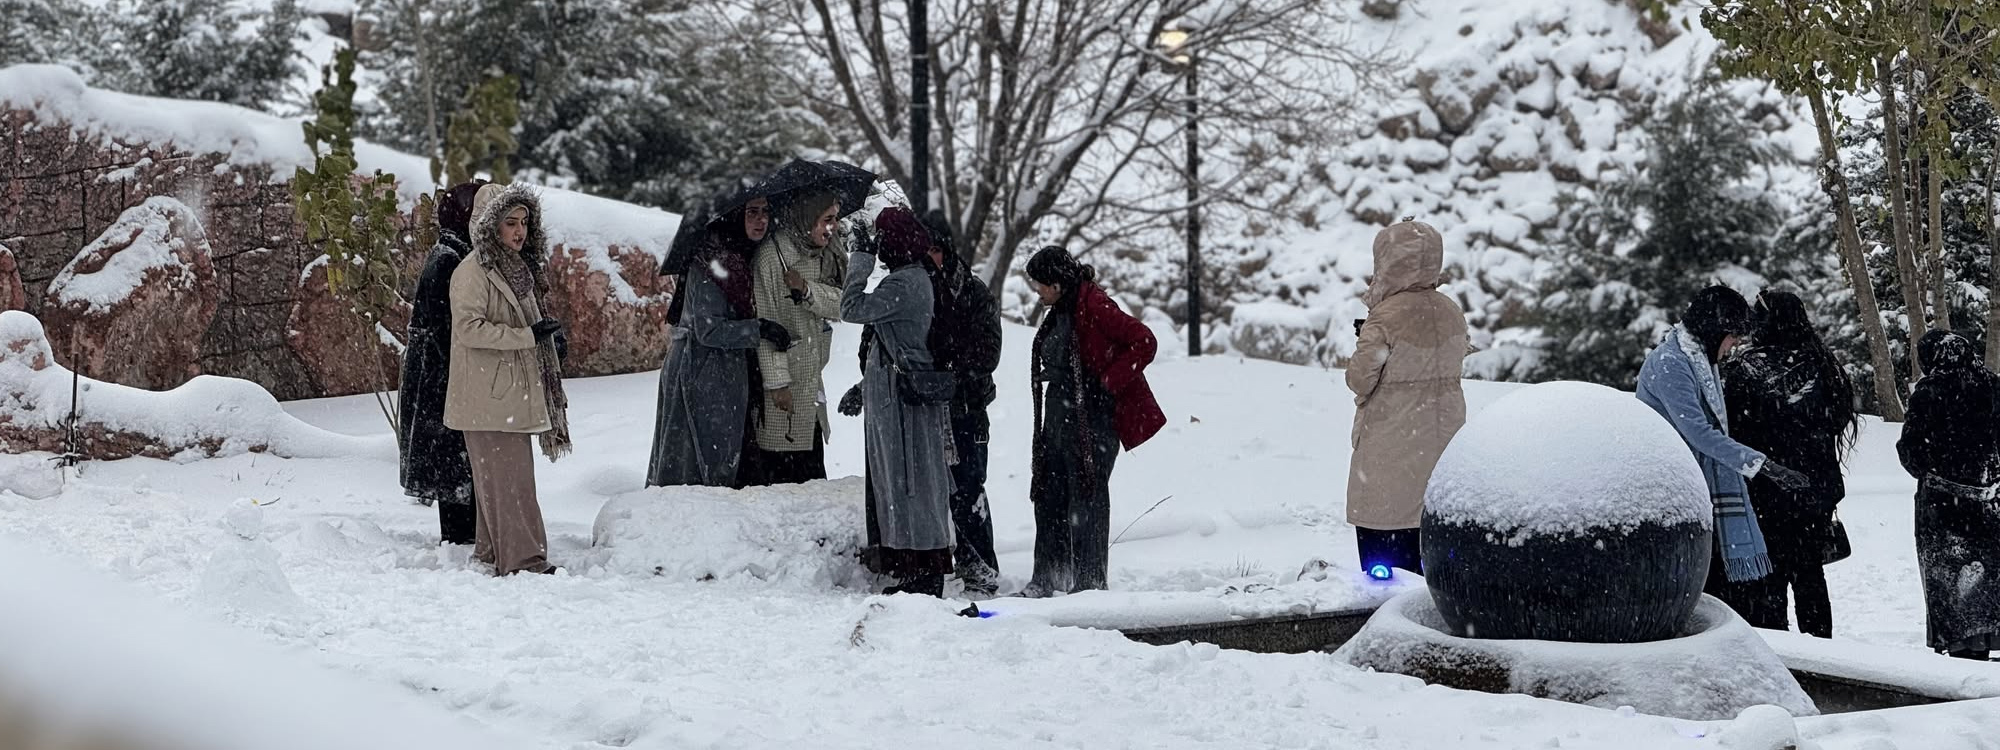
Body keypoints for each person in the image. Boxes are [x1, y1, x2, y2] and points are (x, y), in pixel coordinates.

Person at [840, 210, 1004, 595]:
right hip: (919, 397)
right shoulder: (921, 280)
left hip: (958, 403)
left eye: (935, 249)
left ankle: (974, 568)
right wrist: (869, 384)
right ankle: (924, 566)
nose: (931, 256)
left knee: (958, 488)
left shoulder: (962, 290)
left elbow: (984, 352)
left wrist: (947, 375)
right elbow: (881, 341)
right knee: (921, 486)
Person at [1636, 285, 1812, 615]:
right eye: (1732, 336)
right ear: (1714, 330)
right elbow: (1699, 433)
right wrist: (1763, 465)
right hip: (1676, 492)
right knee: (1698, 592)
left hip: (1702, 485)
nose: (1734, 345)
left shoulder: (1700, 362)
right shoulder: (1671, 364)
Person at [1020, 246, 1166, 597]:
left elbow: (1144, 341)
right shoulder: (1062, 308)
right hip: (1061, 414)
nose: (1037, 291)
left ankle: (1089, 585)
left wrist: (1107, 383)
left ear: (1057, 283)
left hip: (1093, 420)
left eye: (1040, 284)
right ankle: (1049, 578)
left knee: (1086, 498)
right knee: (1050, 495)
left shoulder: (1095, 305)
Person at [443, 183, 571, 576]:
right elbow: (468, 329)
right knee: (510, 483)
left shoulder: (513, 268)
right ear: (489, 225)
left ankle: (492, 554)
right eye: (510, 222)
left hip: (502, 392)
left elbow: (524, 320)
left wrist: (546, 338)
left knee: (500, 483)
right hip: (490, 394)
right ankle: (524, 561)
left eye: (524, 222)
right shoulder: (472, 271)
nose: (519, 231)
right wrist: (526, 337)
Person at [1722, 289, 1858, 638]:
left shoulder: (1746, 368)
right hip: (1814, 490)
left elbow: (1732, 428)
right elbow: (1837, 418)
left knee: (1770, 579)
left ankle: (1779, 650)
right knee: (1810, 575)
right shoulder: (1823, 364)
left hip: (1766, 490)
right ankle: (1822, 650)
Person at [1344, 220, 1468, 577]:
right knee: (1431, 528)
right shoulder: (1451, 311)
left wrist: (1366, 337)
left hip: (1392, 439)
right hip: (1445, 440)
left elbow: (1359, 379)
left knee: (1386, 527)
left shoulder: (1385, 316)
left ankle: (1386, 586)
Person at [645, 195, 782, 488]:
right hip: (700, 373)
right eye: (752, 212)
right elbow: (709, 330)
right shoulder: (711, 264)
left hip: (719, 372)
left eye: (765, 212)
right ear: (733, 217)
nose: (761, 220)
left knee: (720, 460)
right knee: (698, 463)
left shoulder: (738, 256)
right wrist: (759, 329)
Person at [1898, 329, 2000, 661]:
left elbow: (1911, 451)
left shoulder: (1929, 392)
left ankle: (1960, 651)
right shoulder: (1993, 386)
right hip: (1991, 502)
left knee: (1951, 579)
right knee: (1988, 579)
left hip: (1943, 506)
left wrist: (1933, 470)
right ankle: (1988, 638)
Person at [398, 179, 485, 545]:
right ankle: (461, 536)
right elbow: (449, 330)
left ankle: (464, 531)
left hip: (438, 377)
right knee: (453, 458)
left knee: (455, 458)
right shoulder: (451, 260)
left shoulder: (453, 253)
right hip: (442, 379)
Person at [746, 189, 846, 485]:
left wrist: (807, 290)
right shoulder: (770, 258)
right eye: (827, 219)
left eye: (835, 219)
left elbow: (845, 304)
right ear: (807, 218)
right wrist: (777, 384)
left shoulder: (824, 254)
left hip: (810, 380)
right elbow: (766, 327)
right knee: (782, 473)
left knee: (811, 473)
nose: (833, 227)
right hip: (784, 387)